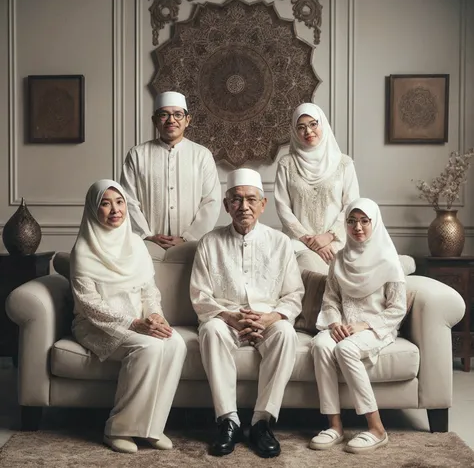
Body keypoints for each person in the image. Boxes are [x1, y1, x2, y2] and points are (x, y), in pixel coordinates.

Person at [190, 168, 304, 459]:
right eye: (237, 200)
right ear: (227, 205)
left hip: (267, 319)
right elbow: (200, 295)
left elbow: (294, 295)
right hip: (226, 319)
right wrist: (228, 317)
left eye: (251, 199)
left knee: (287, 334)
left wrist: (272, 317)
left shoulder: (280, 242)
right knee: (211, 330)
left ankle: (261, 423)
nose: (244, 207)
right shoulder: (209, 242)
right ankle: (228, 421)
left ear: (263, 204)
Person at [70, 179, 187, 454]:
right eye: (106, 203)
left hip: (139, 321)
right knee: (148, 346)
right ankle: (118, 429)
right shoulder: (83, 250)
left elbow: (149, 291)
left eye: (120, 202)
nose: (115, 210)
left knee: (175, 343)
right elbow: (89, 305)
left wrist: (156, 316)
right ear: (92, 209)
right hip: (96, 325)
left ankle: (151, 428)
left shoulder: (136, 244)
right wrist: (134, 324)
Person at [310, 198, 406, 454]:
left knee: (345, 350)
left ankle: (376, 428)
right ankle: (334, 426)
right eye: (352, 221)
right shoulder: (339, 259)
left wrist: (364, 324)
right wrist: (334, 323)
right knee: (320, 344)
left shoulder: (389, 261)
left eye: (364, 221)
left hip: (374, 328)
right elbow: (330, 299)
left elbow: (397, 308)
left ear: (374, 222)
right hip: (343, 326)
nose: (358, 227)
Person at [120, 91, 221, 260]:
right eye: (164, 114)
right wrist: (147, 235)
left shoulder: (202, 155)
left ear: (187, 120)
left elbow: (212, 201)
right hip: (146, 246)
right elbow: (128, 200)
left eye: (178, 114)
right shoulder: (137, 154)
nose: (171, 120)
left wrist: (187, 237)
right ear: (154, 120)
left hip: (191, 247)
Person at [274, 103, 360, 274]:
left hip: (336, 240)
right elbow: (282, 207)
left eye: (313, 124)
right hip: (299, 243)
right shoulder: (286, 164)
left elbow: (351, 204)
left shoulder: (344, 163)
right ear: (294, 131)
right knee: (307, 270)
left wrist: (328, 237)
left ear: (323, 124)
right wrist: (310, 241)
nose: (308, 131)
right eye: (301, 127)